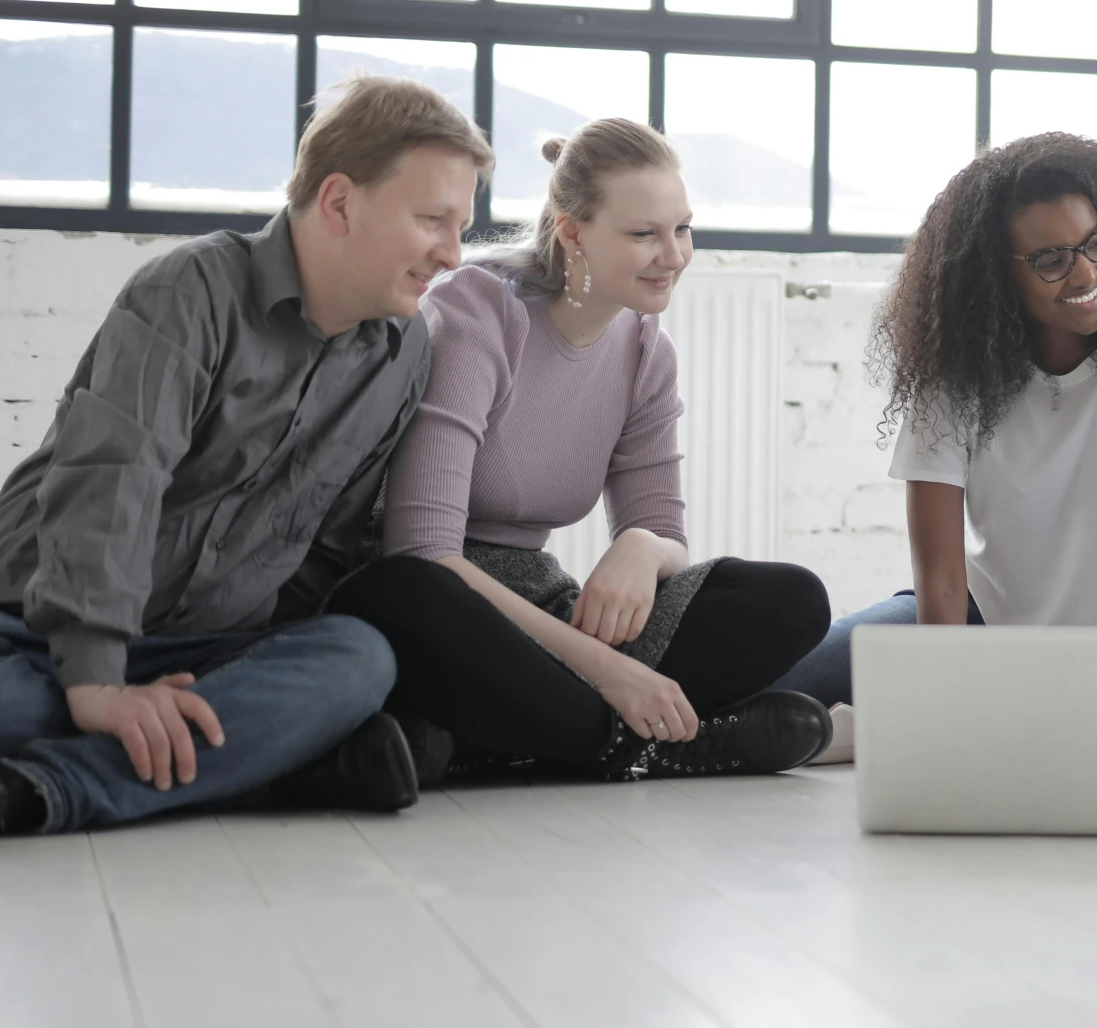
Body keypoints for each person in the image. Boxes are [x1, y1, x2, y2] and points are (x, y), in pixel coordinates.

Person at [0, 77, 495, 848]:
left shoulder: (404, 353)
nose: (452, 253)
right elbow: (111, 483)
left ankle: (25, 792)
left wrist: (267, 680)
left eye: (461, 225)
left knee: (357, 660)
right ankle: (276, 768)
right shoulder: (190, 290)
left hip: (204, 650)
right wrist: (99, 683)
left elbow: (324, 555)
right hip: (30, 627)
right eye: (433, 220)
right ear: (341, 202)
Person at [329, 118, 833, 781]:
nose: (673, 255)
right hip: (444, 605)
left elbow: (664, 533)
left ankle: (485, 744)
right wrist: (610, 671)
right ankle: (662, 745)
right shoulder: (477, 311)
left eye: (681, 228)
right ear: (572, 233)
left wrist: (641, 547)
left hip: (542, 606)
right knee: (408, 593)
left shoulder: (647, 352)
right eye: (643, 234)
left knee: (789, 599)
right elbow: (425, 550)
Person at [779, 133, 1097, 774]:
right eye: (1051, 260)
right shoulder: (955, 372)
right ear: (997, 274)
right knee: (787, 686)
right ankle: (999, 729)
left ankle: (910, 730)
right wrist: (951, 680)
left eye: (1096, 243)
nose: (1087, 273)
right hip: (973, 625)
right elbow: (942, 565)